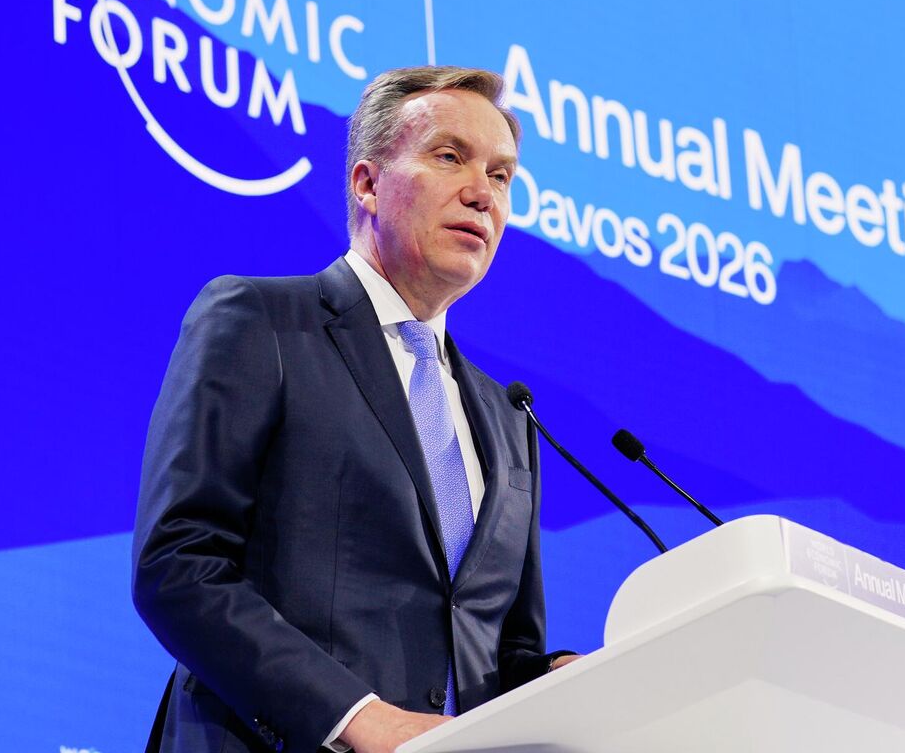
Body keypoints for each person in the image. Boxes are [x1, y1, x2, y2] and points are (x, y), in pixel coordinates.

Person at [133, 65, 576, 753]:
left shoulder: (509, 419)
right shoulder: (260, 322)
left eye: (501, 175)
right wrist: (361, 717)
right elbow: (180, 566)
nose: (482, 194)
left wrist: (565, 680)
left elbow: (501, 649)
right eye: (449, 156)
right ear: (367, 184)